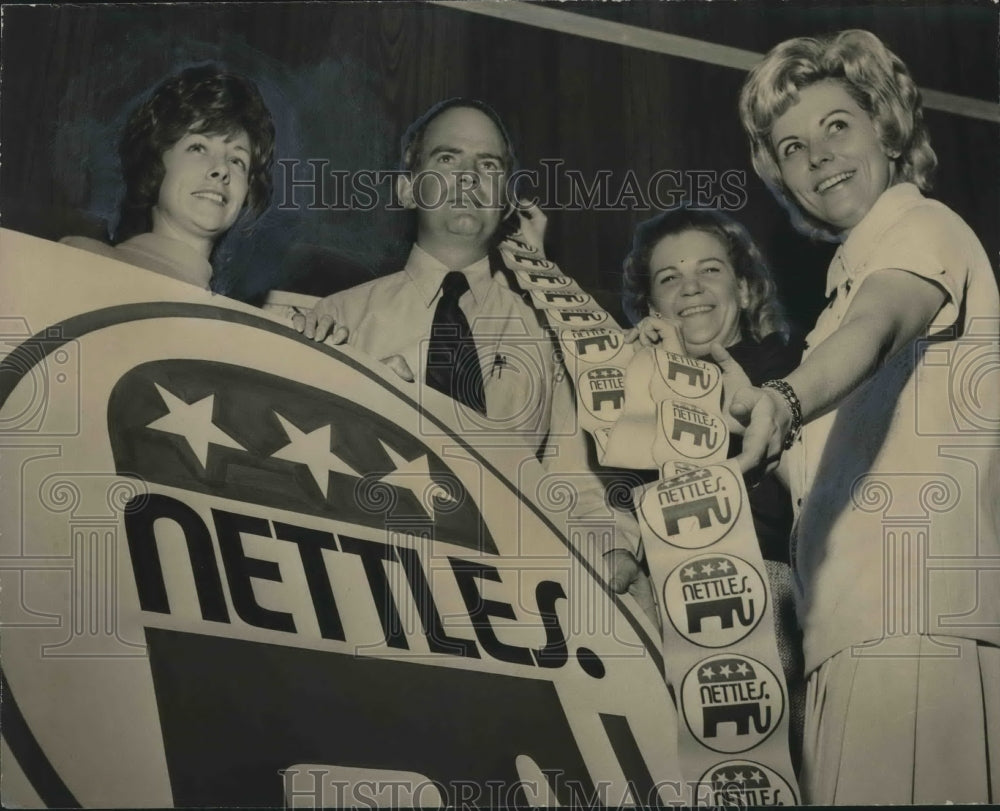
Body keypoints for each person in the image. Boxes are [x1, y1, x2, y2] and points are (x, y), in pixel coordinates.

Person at [734, 29, 1000, 804]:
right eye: (791, 146)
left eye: (836, 126)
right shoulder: (831, 307)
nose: (817, 156)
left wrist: (783, 396)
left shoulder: (922, 230)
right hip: (849, 633)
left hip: (910, 629)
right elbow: (809, 456)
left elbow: (876, 327)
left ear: (884, 126)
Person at [287, 98, 653, 617]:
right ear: (407, 187)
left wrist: (613, 547)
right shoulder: (339, 319)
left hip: (512, 602)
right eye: (446, 159)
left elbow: (572, 478)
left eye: (489, 165)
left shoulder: (551, 329)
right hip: (371, 588)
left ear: (507, 198)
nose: (467, 178)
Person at [620, 207, 805, 771]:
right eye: (669, 278)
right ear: (652, 305)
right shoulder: (633, 383)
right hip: (656, 598)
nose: (691, 288)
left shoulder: (792, 368)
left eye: (710, 271)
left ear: (745, 290)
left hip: (760, 586)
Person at [61, 64, 275, 289]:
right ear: (156, 161)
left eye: (236, 160)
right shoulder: (88, 261)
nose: (222, 169)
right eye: (198, 148)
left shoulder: (227, 314)